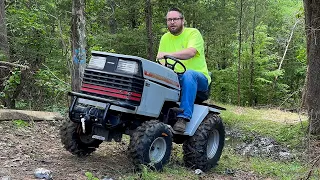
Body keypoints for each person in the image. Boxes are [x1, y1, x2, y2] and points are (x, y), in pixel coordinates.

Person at [157, 7, 211, 132]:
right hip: (175, 78)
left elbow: (191, 52)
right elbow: (161, 60)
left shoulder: (193, 33)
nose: (172, 22)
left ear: (182, 20)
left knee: (189, 74)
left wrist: (168, 55)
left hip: (199, 80)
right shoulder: (165, 38)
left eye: (175, 19)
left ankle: (183, 117)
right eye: (169, 19)